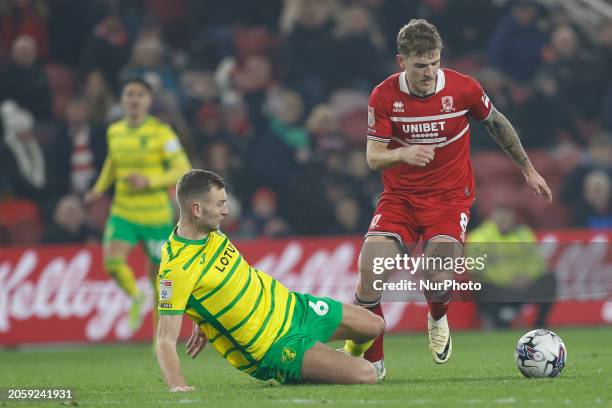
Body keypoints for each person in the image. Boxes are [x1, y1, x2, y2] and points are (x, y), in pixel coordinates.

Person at [346, 19, 552, 378]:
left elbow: (498, 123)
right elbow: (373, 156)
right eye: (419, 65)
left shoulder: (463, 89)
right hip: (400, 199)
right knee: (370, 274)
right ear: (401, 62)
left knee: (437, 274)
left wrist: (528, 169)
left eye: (434, 62)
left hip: (449, 199)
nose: (428, 72)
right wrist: (402, 154)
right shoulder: (383, 95)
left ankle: (438, 317)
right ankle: (373, 360)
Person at [156, 169, 385, 391]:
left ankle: (332, 363)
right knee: (366, 374)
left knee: (374, 325)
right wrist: (178, 386)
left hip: (293, 308)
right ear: (196, 209)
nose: (226, 210)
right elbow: (165, 339)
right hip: (273, 346)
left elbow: (213, 283)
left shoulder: (211, 231)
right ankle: (310, 367)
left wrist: (203, 318)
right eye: (219, 204)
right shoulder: (176, 269)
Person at [85, 78, 191, 331]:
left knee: (159, 279)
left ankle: (159, 339)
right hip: (123, 211)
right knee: (112, 263)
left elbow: (182, 169)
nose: (134, 99)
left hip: (154, 215)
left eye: (140, 94)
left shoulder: (162, 133)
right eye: (129, 94)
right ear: (122, 100)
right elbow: (112, 163)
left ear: (149, 101)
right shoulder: (115, 131)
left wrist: (149, 180)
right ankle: (135, 297)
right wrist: (98, 189)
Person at [466, 204, 556, 329]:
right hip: (497, 287)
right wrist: (508, 279)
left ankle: (539, 325)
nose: (504, 221)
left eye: (507, 217)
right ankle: (499, 323)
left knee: (549, 279)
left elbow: (535, 262)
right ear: (491, 218)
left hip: (523, 285)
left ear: (513, 218)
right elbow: (477, 268)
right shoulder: (479, 237)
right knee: (479, 283)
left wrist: (526, 277)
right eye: (500, 217)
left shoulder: (524, 233)